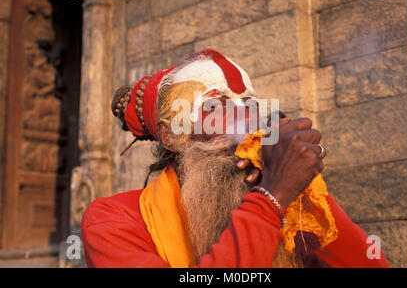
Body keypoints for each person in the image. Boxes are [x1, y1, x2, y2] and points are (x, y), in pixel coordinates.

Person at [81, 48, 390, 268]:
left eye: (248, 104)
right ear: (172, 136)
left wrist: (307, 191)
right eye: (217, 105)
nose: (244, 118)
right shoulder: (112, 218)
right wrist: (271, 199)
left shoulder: (288, 208)